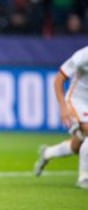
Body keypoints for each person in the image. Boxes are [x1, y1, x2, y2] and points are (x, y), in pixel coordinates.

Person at [34, 45, 88, 189]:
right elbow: (59, 79)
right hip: (77, 100)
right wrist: (63, 108)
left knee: (77, 146)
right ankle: (84, 178)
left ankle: (47, 153)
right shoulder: (83, 55)